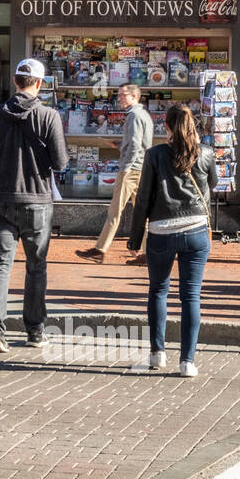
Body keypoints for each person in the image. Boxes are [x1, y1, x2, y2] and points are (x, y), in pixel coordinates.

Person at [0, 58, 69, 352]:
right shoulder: (48, 116)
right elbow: (61, 162)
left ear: (15, 81)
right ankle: (35, 330)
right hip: (37, 202)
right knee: (36, 266)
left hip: (2, 199)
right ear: (39, 84)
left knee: (0, 266)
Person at [127, 104, 215, 378]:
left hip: (161, 230)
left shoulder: (154, 155)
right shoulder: (206, 154)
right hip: (196, 230)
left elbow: (143, 198)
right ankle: (187, 361)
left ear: (166, 127)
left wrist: (134, 238)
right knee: (191, 296)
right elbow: (212, 186)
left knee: (158, 291)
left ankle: (157, 353)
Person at [77, 83, 153, 266]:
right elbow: (139, 143)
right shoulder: (144, 115)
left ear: (134, 96)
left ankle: (100, 249)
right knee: (143, 213)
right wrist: (119, 145)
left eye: (123, 95)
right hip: (141, 168)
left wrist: (125, 166)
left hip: (131, 170)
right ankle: (148, 253)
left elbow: (135, 145)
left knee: (114, 211)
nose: (119, 98)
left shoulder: (134, 115)